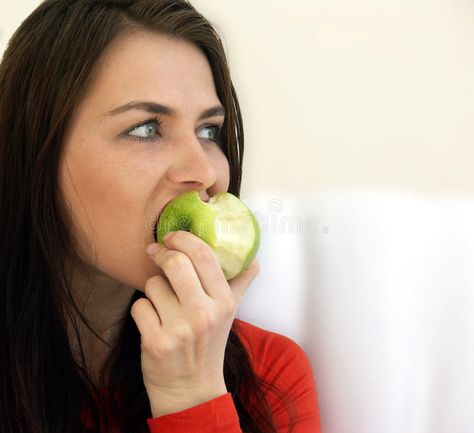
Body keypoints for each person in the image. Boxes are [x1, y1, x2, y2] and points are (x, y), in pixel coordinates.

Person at [0, 0, 322, 432]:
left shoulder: (268, 377)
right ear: (35, 150)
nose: (205, 172)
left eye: (208, 131)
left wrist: (191, 396)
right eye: (147, 128)